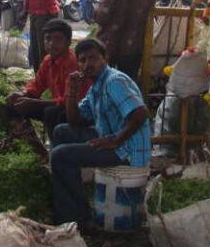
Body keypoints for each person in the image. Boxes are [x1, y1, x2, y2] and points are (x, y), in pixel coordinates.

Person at [50, 38, 151, 226]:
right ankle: (66, 196)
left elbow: (140, 113)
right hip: (111, 137)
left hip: (127, 148)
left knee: (61, 156)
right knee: (61, 131)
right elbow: (75, 120)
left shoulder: (114, 81)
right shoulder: (96, 85)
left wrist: (115, 140)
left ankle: (77, 219)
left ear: (105, 58)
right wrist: (71, 91)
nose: (88, 64)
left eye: (93, 58)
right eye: (82, 60)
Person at [6, 19, 91, 140]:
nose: (51, 43)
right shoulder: (48, 60)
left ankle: (57, 148)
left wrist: (34, 102)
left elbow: (68, 101)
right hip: (61, 105)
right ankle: (22, 139)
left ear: (68, 42)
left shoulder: (72, 63)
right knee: (16, 102)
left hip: (78, 110)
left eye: (57, 39)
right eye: (48, 39)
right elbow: (37, 84)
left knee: (51, 113)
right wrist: (24, 94)